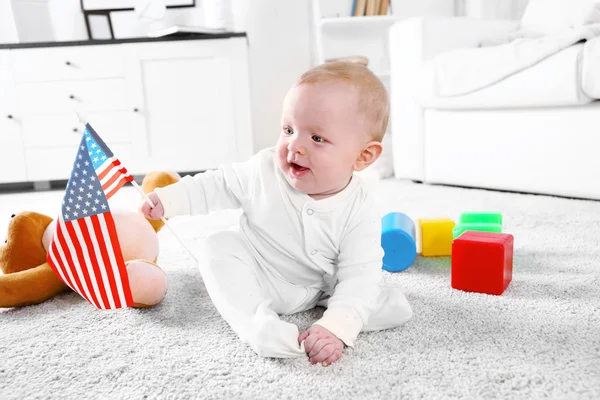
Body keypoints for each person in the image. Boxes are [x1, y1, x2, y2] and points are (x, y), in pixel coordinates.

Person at [141, 61, 413, 366]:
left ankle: (341, 315)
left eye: (317, 138)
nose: (294, 145)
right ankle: (257, 326)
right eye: (288, 129)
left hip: (322, 285)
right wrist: (172, 199)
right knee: (217, 247)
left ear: (362, 157)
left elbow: (359, 270)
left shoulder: (358, 208)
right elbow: (217, 184)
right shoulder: (264, 169)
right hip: (260, 272)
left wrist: (334, 329)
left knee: (374, 293)